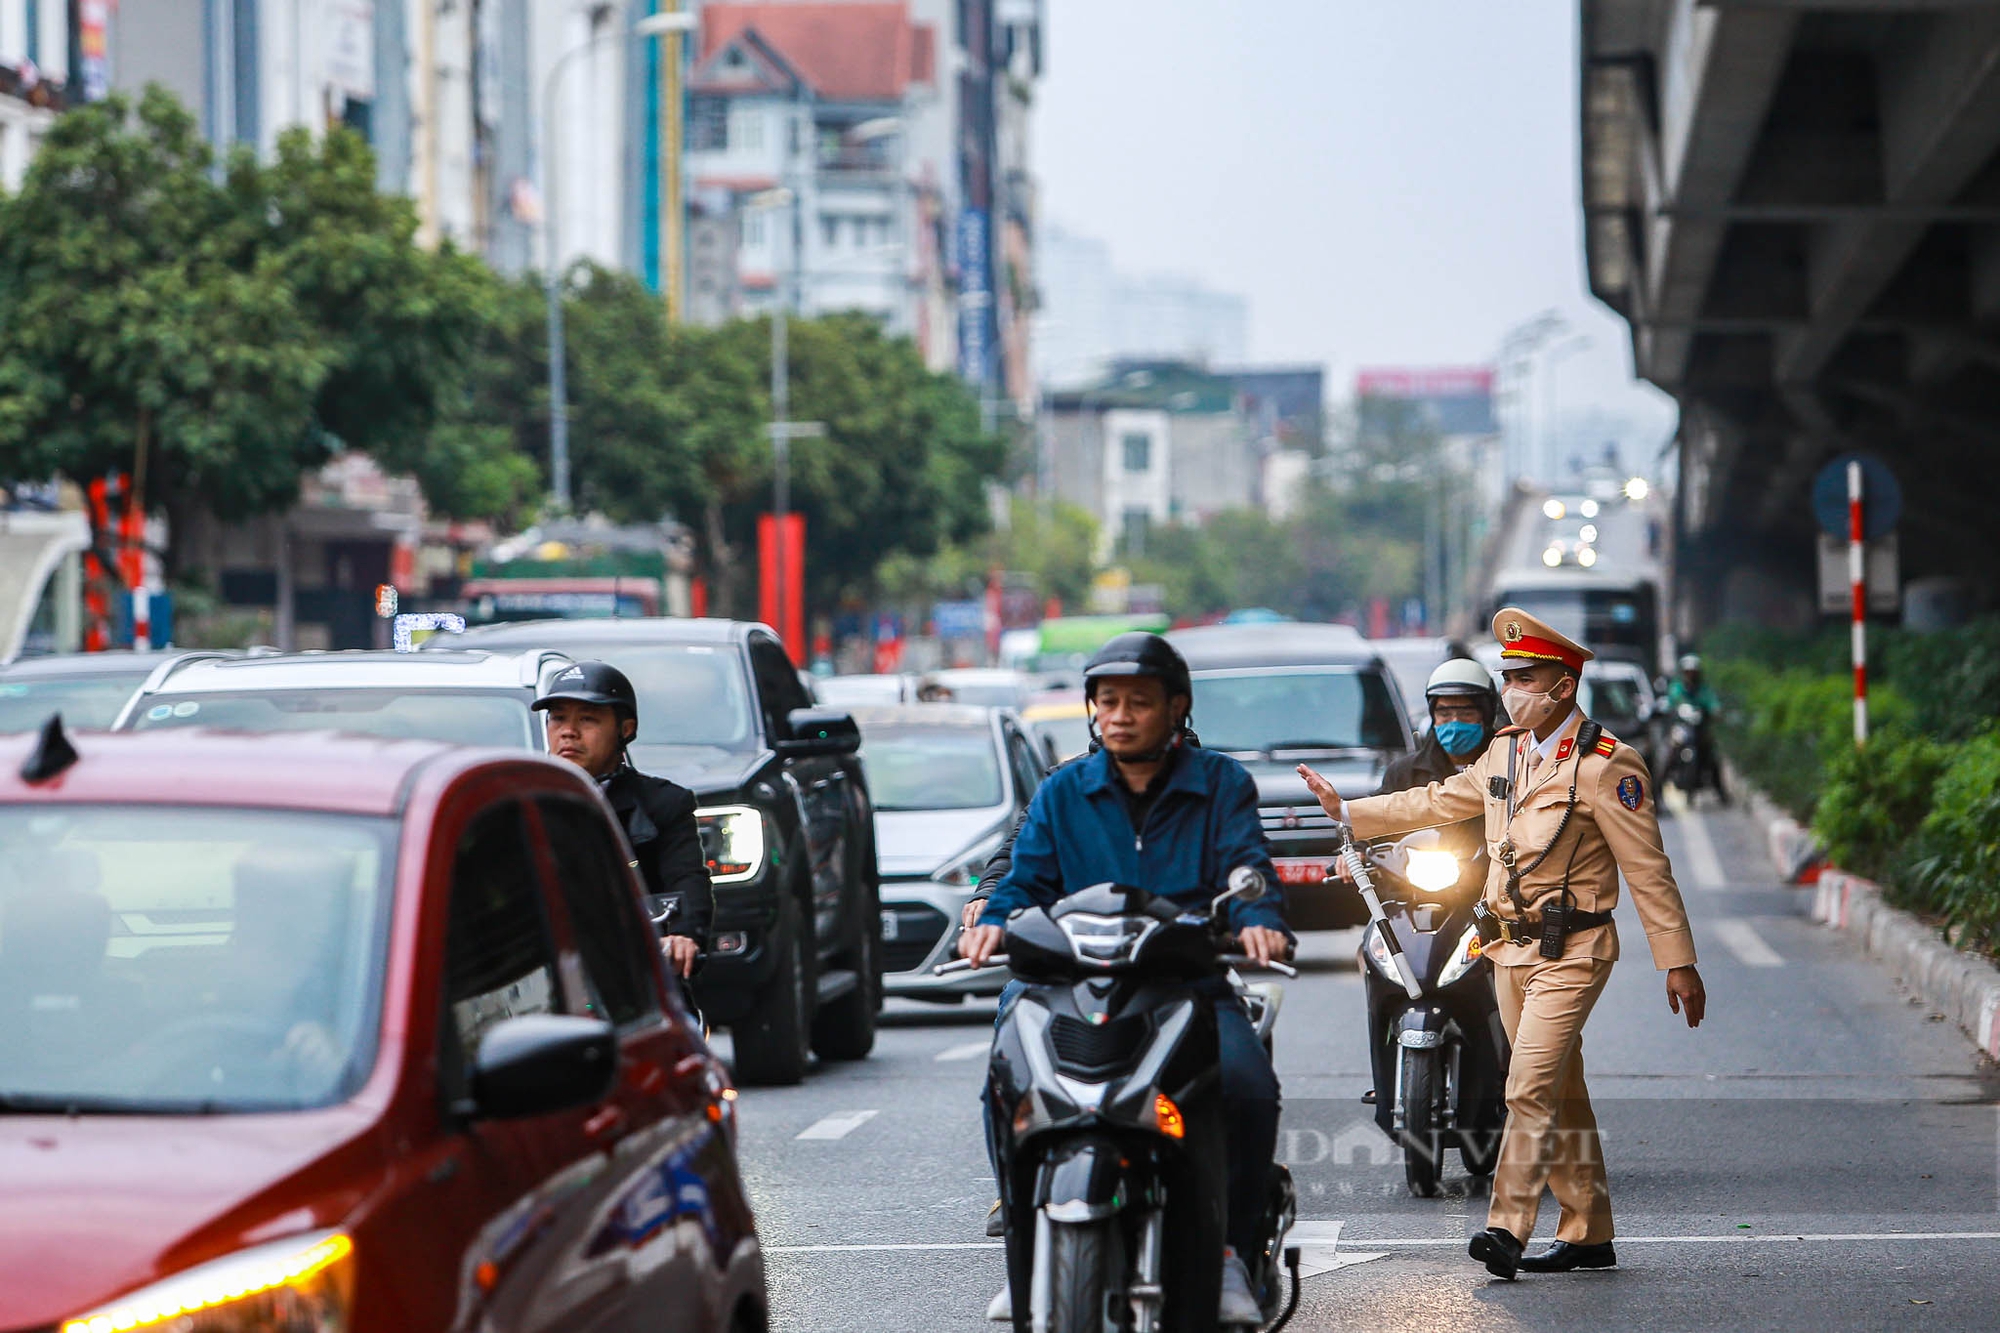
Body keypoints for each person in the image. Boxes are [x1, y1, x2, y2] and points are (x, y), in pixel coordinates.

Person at [1297, 609, 1706, 1280]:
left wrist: (1678, 960)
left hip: (1573, 950)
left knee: (1528, 1086)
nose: (1512, 688)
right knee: (1561, 1089)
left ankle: (1505, 1227)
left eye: (1526, 677)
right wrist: (1351, 811)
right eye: (1508, 676)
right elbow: (1437, 799)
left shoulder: (1608, 767)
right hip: (1506, 950)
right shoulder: (1505, 750)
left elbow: (1648, 868)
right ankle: (1589, 1231)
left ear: (1564, 686)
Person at [960, 632, 1291, 1325]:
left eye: (1139, 701)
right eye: (1107, 700)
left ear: (1176, 707)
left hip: (1184, 986)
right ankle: (1021, 1228)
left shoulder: (1222, 783)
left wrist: (1258, 916)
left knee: (1248, 1089)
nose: (1120, 715)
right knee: (1003, 1076)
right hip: (1066, 985)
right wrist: (994, 919)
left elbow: (1247, 866)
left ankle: (1228, 1252)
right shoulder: (1061, 791)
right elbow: (1025, 876)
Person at [534, 661, 711, 978]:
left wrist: (684, 936)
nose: (568, 732)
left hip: (631, 972)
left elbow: (686, 879)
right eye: (558, 719)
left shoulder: (664, 804)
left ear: (625, 730)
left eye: (587, 719)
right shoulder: (519, 801)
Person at [1382, 657, 1504, 792]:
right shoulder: (1403, 773)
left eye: (1467, 714)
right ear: (1433, 717)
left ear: (1486, 717)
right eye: (1444, 714)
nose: (1455, 723)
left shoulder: (1509, 766)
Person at [1664, 653, 1727, 801]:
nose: (1690, 676)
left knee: (1712, 757)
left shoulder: (1704, 690)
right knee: (1670, 755)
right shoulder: (1677, 688)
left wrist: (1715, 711)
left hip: (1699, 730)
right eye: (1688, 672)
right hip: (1682, 728)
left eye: (1693, 673)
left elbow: (1713, 703)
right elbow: (1671, 701)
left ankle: (1721, 792)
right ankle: (1657, 790)